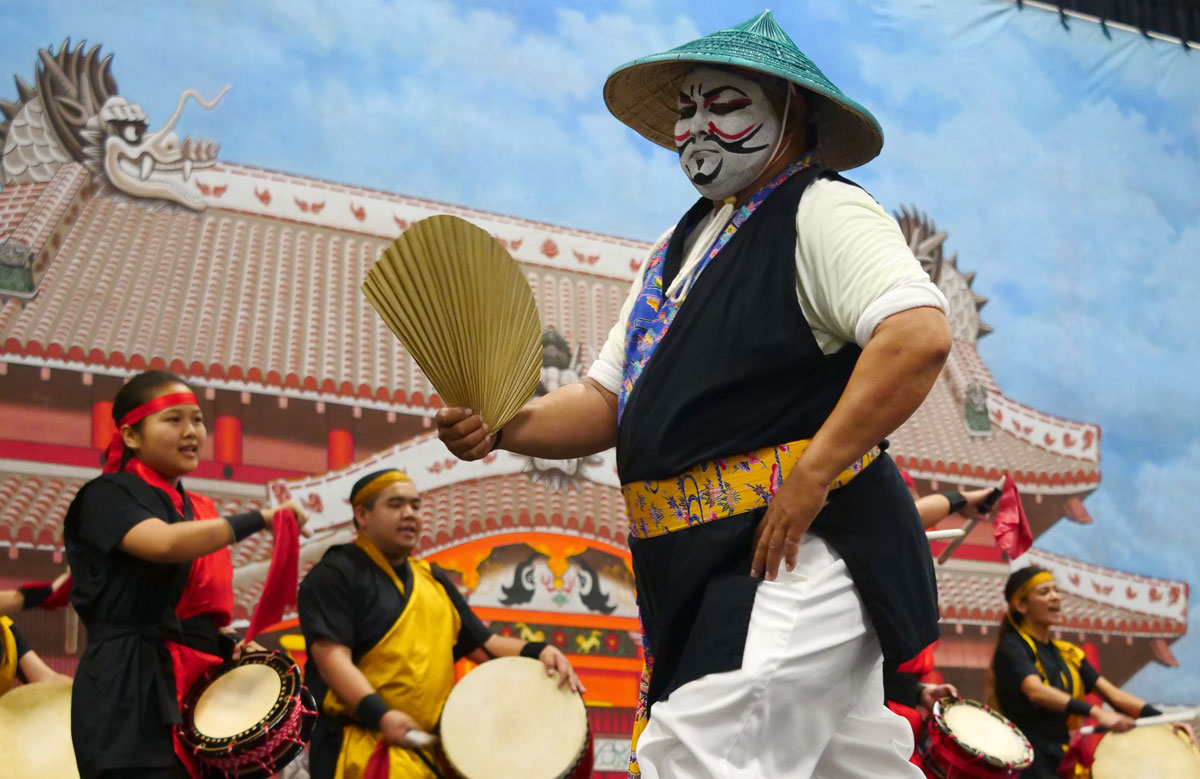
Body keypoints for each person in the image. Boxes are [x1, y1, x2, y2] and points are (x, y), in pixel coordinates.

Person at [438, 11, 951, 777]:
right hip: (709, 560)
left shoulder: (823, 210)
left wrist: (810, 477)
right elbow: (607, 403)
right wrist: (502, 426)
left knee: (698, 756)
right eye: (687, 107)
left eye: (726, 104)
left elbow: (916, 335)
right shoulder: (672, 251)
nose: (699, 125)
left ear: (792, 111)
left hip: (804, 551)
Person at [63, 370, 308, 779]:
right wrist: (260, 519)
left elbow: (194, 606)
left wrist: (223, 643)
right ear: (130, 435)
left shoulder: (199, 508)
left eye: (197, 419)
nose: (191, 431)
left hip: (197, 694)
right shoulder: (105, 496)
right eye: (173, 419)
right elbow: (162, 543)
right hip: (128, 691)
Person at [298, 468, 585, 779]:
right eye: (396, 505)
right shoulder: (336, 574)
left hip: (424, 752)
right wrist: (382, 716)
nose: (410, 515)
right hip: (358, 748)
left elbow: (484, 646)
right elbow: (331, 660)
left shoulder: (431, 581)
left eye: (416, 506)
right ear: (362, 516)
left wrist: (540, 651)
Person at [989, 566, 1172, 777]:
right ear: (1021, 605)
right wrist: (1096, 712)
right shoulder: (1012, 647)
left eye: (1056, 590)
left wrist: (1165, 720)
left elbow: (1114, 695)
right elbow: (1035, 690)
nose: (1055, 597)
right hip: (1026, 758)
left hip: (1059, 757)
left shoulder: (1068, 654)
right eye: (1044, 592)